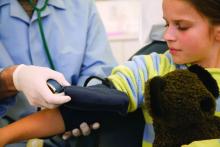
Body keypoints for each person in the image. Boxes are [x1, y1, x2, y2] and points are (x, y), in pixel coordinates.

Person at [1, 0, 220, 146]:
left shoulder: (80, 7)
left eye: (181, 26)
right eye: (166, 23)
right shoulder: (151, 69)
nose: (167, 35)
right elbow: (88, 105)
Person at [0, 0, 116, 146]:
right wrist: (11, 79)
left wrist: (84, 106)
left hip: (74, 136)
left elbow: (100, 71)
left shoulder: (82, 6)